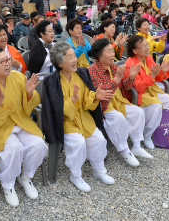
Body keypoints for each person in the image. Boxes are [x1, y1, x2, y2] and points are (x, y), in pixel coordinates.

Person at [40, 42, 116, 192]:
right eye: (70, 57)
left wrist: (95, 96)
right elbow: (55, 110)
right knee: (78, 143)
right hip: (65, 122)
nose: (75, 60)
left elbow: (88, 98)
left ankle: (99, 169)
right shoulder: (51, 81)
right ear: (59, 63)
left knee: (99, 139)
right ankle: (75, 175)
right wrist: (72, 101)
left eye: (74, 55)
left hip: (84, 117)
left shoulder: (82, 73)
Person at [0, 48, 47, 206]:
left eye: (7, 60)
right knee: (14, 148)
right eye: (2, 62)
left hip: (20, 122)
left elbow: (30, 103)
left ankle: (26, 177)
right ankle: (8, 184)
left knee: (38, 145)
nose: (8, 64)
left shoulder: (17, 76)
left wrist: (29, 93)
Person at [89, 38, 153, 166]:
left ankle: (136, 145)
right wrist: (117, 78)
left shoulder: (113, 66)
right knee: (118, 118)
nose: (113, 54)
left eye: (113, 51)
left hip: (119, 100)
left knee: (138, 112)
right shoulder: (92, 70)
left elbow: (126, 87)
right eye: (109, 51)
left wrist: (130, 77)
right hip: (105, 105)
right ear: (99, 55)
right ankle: (124, 149)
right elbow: (103, 94)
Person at [123, 35, 169, 148]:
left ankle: (160, 131)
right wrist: (152, 75)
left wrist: (162, 71)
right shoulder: (130, 64)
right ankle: (147, 135)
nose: (146, 48)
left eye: (147, 44)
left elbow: (157, 77)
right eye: (142, 46)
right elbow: (137, 87)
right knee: (157, 105)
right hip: (139, 94)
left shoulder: (148, 58)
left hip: (151, 90)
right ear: (134, 50)